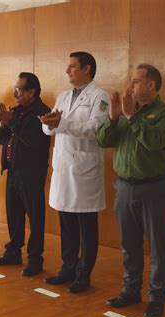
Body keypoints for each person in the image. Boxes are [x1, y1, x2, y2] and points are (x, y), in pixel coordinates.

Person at [97, 64, 165, 317]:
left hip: (156, 188)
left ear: (151, 85)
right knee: (129, 245)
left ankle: (156, 298)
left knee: (157, 246)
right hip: (124, 187)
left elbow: (153, 142)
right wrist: (113, 117)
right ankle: (130, 290)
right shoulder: (125, 113)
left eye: (135, 81)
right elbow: (103, 141)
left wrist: (131, 117)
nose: (130, 86)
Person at [39, 51, 109, 293]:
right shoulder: (64, 95)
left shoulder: (100, 97)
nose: (67, 71)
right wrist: (48, 124)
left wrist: (61, 124)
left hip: (83, 169)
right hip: (63, 168)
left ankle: (83, 274)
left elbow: (95, 129)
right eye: (67, 67)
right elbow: (52, 127)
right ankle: (67, 267)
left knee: (86, 226)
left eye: (72, 67)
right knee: (66, 223)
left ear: (87, 69)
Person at [0, 72, 51, 276]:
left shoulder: (42, 113)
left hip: (32, 171)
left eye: (20, 89)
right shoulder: (16, 111)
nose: (15, 92)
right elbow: (1, 138)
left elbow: (32, 141)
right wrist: (2, 122)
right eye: (15, 88)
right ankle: (13, 252)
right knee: (14, 214)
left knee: (35, 217)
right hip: (14, 170)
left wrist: (11, 122)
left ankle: (35, 259)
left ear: (32, 91)